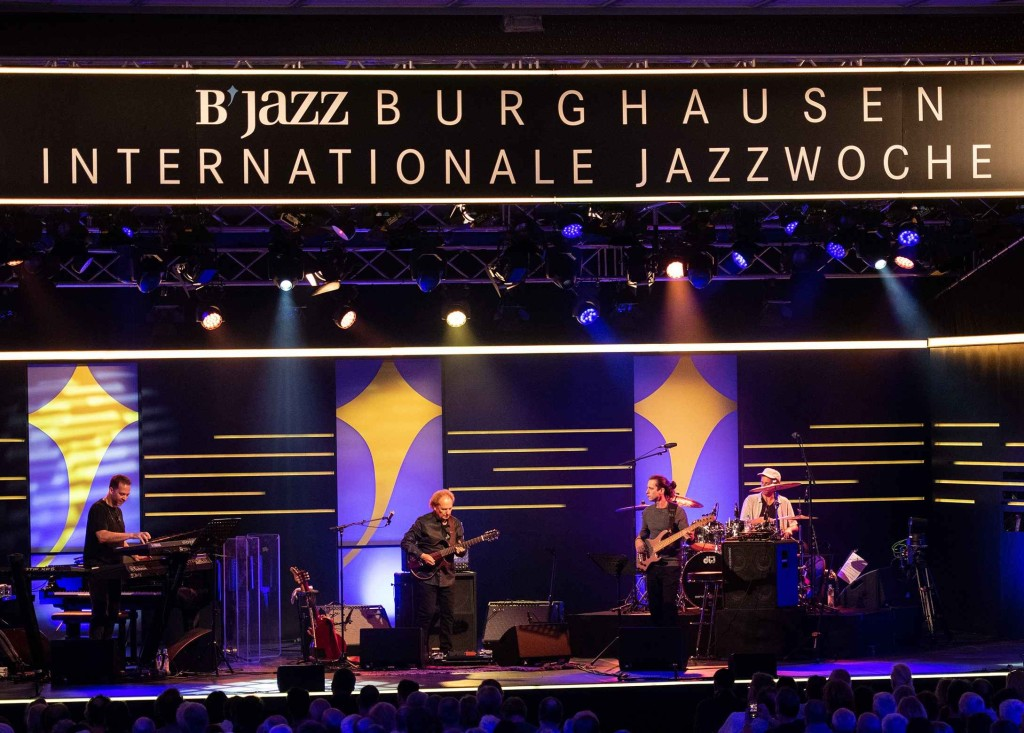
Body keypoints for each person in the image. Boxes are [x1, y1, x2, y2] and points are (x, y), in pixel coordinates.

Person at [83, 474, 150, 640]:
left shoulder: (118, 512)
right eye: (122, 494)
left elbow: (119, 540)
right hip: (98, 567)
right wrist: (133, 534)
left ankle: (107, 648)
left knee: (113, 611)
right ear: (111, 490)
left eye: (127, 494)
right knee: (100, 611)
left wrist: (134, 555)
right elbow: (103, 536)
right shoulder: (98, 509)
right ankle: (96, 650)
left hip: (114, 567)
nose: (125, 498)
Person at [401, 489, 465, 659]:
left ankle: (446, 651)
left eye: (450, 508)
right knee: (426, 614)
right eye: (443, 509)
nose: (447, 512)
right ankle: (421, 651)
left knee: (448, 615)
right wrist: (422, 555)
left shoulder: (456, 524)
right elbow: (406, 542)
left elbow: (460, 547)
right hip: (426, 575)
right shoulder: (423, 522)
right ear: (435, 507)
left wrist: (461, 550)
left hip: (447, 575)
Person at [634, 474, 691, 626]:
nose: (646, 492)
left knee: (668, 606)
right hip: (652, 565)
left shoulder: (676, 511)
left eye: (650, 488)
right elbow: (643, 533)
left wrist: (689, 536)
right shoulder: (647, 512)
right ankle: (658, 638)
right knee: (654, 607)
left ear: (661, 491)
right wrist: (638, 540)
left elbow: (686, 535)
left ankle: (672, 638)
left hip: (670, 564)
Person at [740, 468, 797, 539]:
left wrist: (789, 530)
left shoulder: (785, 501)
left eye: (766, 483)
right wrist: (758, 521)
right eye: (762, 483)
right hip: (756, 541)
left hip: (778, 542)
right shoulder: (750, 500)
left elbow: (794, 525)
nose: (763, 486)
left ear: (775, 485)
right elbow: (742, 524)